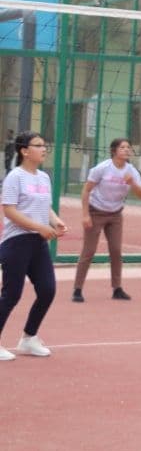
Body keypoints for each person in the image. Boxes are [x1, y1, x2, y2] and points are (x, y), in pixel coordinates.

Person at [0, 131, 68, 360]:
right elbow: (9, 211)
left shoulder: (43, 177)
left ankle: (29, 338)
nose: (44, 149)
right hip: (16, 242)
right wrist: (39, 227)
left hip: (38, 243)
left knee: (48, 290)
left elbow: (45, 207)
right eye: (38, 145)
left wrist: (55, 221)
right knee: (12, 294)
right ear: (24, 151)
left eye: (44, 145)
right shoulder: (15, 177)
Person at [72, 137, 141, 302]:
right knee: (89, 251)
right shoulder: (102, 168)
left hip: (115, 214)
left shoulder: (131, 171)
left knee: (116, 250)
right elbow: (86, 191)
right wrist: (85, 215)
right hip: (96, 211)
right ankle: (77, 289)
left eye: (128, 147)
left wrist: (132, 183)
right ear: (114, 151)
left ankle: (117, 288)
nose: (126, 150)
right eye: (122, 147)